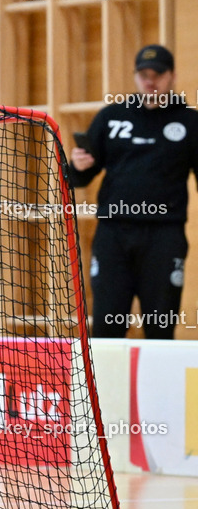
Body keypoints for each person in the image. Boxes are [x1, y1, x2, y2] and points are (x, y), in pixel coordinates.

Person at [70, 44, 198, 338]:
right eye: (143, 74)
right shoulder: (111, 116)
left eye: (158, 74)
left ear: (172, 76)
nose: (150, 80)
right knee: (106, 325)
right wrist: (77, 164)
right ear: (136, 77)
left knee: (160, 326)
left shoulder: (191, 122)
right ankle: (104, 386)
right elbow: (80, 176)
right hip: (114, 235)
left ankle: (159, 385)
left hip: (164, 238)